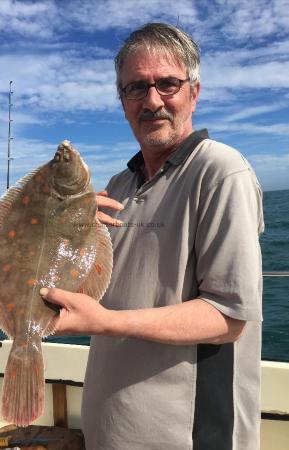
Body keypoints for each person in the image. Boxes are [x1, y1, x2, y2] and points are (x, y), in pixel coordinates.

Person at [40, 23, 264, 450]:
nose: (152, 101)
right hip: (109, 431)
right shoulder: (119, 184)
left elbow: (229, 316)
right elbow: (87, 293)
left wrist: (108, 323)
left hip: (187, 436)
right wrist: (64, 235)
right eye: (136, 88)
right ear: (122, 101)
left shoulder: (220, 171)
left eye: (167, 84)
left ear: (193, 92)